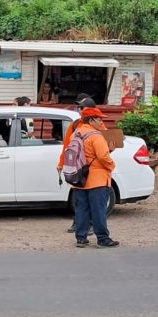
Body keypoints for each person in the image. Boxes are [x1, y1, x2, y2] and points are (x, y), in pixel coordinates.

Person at [72, 107, 119, 248]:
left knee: (82, 209)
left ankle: (81, 238)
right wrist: (112, 165)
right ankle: (103, 238)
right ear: (91, 120)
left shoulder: (77, 133)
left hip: (80, 178)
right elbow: (103, 157)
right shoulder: (96, 136)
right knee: (98, 210)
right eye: (99, 119)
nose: (101, 121)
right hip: (97, 179)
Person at [57, 93, 98, 235]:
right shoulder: (75, 124)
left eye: (81, 107)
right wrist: (62, 163)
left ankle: (91, 224)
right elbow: (67, 146)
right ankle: (78, 223)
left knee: (93, 199)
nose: (79, 110)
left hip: (93, 168)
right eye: (78, 107)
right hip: (78, 167)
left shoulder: (99, 125)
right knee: (79, 198)